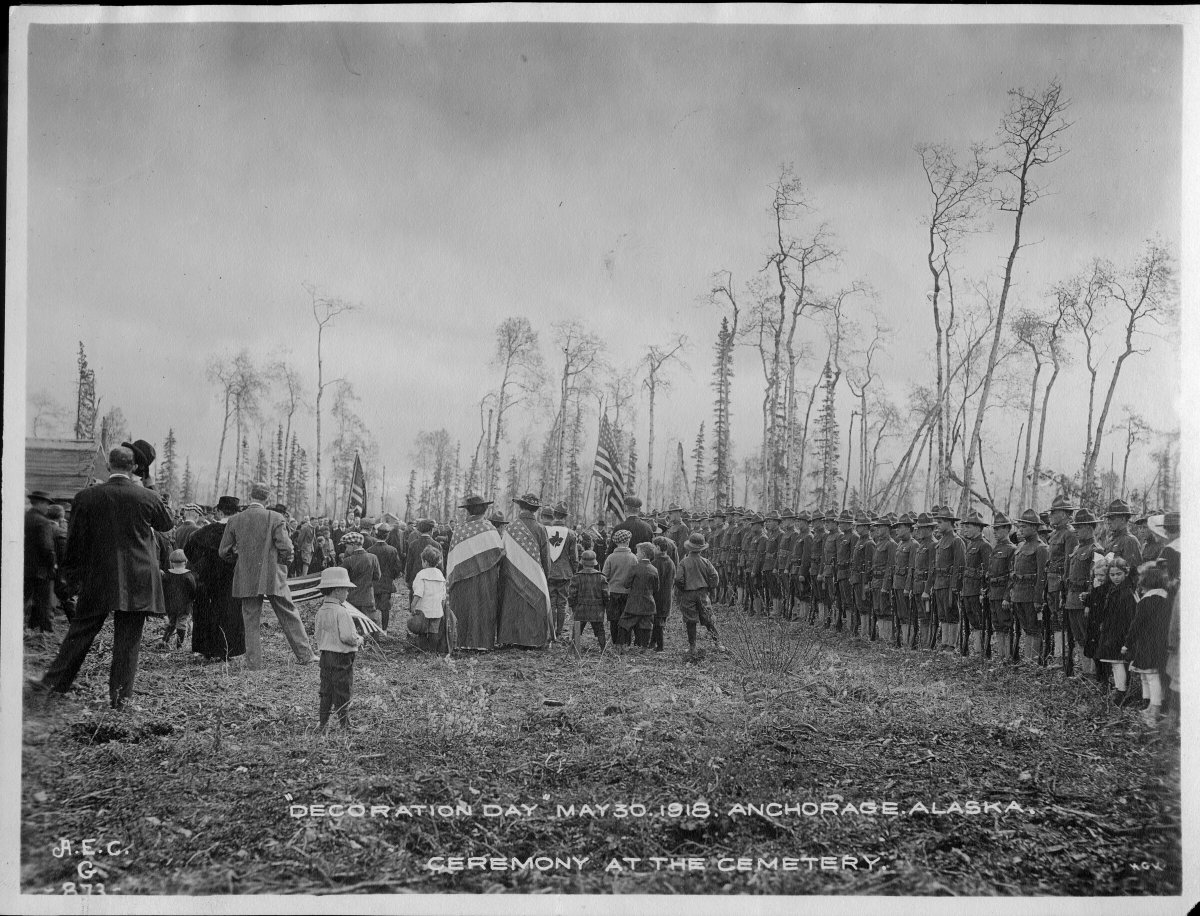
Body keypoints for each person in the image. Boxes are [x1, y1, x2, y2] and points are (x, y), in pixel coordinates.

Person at [29, 446, 174, 709]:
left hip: (97, 576)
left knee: (80, 632)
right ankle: (120, 699)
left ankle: (51, 687)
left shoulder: (86, 497)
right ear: (133, 469)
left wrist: (69, 578)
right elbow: (167, 524)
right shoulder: (147, 497)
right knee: (128, 641)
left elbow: (74, 542)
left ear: (108, 466)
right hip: (138, 579)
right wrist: (149, 481)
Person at [218, 482, 317, 671]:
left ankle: (254, 663)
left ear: (250, 496)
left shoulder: (235, 520)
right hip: (273, 575)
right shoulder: (275, 517)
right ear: (268, 499)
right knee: (288, 612)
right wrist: (282, 562)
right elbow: (287, 547)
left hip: (246, 575)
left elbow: (224, 552)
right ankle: (305, 655)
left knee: (250, 619)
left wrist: (239, 559)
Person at [184, 496, 246, 661]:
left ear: (219, 511)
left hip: (208, 578)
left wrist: (200, 566)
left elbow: (188, 549)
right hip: (232, 578)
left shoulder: (205, 531)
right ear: (236, 512)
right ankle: (227, 650)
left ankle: (206, 650)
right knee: (230, 611)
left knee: (206, 611)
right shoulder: (241, 532)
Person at [447, 495, 504, 651]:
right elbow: (499, 554)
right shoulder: (490, 529)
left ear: (468, 511)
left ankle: (460, 641)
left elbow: (452, 558)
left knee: (463, 606)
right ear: (485, 510)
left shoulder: (459, 530)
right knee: (484, 606)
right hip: (487, 578)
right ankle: (483, 643)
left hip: (461, 578)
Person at [497, 494, 552, 649]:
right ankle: (532, 639)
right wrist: (545, 576)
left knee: (512, 604)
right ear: (535, 510)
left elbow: (503, 551)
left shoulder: (511, 527)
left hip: (511, 573)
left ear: (520, 506)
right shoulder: (540, 529)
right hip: (534, 575)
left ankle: (509, 638)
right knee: (532, 606)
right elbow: (545, 556)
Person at [314, 566, 364, 731]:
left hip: (325, 656)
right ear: (336, 591)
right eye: (345, 589)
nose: (348, 593)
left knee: (326, 689)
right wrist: (359, 640)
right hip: (342, 658)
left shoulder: (321, 611)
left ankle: (323, 724)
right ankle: (345, 724)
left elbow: (317, 634)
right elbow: (348, 636)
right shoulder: (342, 612)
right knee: (343, 690)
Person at [1124, 563, 1172, 726]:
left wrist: (1127, 643)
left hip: (1146, 643)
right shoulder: (1166, 597)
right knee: (1152, 675)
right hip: (1160, 642)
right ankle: (1153, 705)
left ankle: (1154, 708)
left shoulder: (1146, 601)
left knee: (1150, 676)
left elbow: (1136, 624)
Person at [1091, 556, 1137, 705]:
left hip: (1120, 632)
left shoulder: (1127, 592)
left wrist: (1126, 636)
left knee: (1118, 662)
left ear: (1126, 573)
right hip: (1111, 629)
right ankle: (1119, 688)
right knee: (1114, 662)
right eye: (1112, 575)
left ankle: (1121, 691)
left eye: (1119, 574)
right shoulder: (1113, 589)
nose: (1115, 578)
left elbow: (1131, 616)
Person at [1008, 508, 1049, 666]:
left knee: (1034, 628)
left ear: (1035, 527)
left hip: (1031, 594)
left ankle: (1033, 660)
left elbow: (1041, 576)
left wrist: (1038, 599)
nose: (1021, 530)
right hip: (1019, 593)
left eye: (1024, 527)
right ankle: (1027, 659)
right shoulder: (1020, 547)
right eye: (1020, 527)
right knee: (1026, 628)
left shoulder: (1041, 548)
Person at [674, 532, 726, 657]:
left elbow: (678, 580)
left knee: (690, 621)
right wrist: (709, 587)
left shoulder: (684, 562)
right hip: (703, 593)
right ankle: (718, 644)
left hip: (688, 594)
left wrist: (683, 590)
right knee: (708, 619)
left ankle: (692, 647)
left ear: (689, 547)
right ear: (702, 548)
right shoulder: (706, 561)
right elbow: (715, 577)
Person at [1063, 508, 1100, 677]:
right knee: (1079, 638)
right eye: (1075, 526)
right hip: (1072, 599)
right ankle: (1085, 672)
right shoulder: (1077, 549)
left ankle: (1093, 673)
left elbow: (1098, 579)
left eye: (1080, 526)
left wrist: (1090, 601)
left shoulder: (1096, 549)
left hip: (1085, 601)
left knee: (1089, 637)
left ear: (1091, 527)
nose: (1076, 530)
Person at [931, 507, 965, 653]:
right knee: (943, 614)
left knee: (952, 614)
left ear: (950, 522)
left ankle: (952, 645)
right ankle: (944, 643)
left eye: (940, 522)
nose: (937, 525)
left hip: (949, 584)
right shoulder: (941, 540)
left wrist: (954, 586)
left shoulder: (957, 541)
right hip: (939, 583)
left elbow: (959, 565)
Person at [960, 510, 992, 659]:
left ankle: (982, 651)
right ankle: (976, 650)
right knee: (972, 620)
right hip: (967, 589)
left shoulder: (984, 545)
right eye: (965, 526)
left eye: (969, 526)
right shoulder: (970, 544)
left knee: (980, 621)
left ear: (979, 528)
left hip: (977, 590)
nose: (965, 529)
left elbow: (987, 571)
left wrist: (982, 590)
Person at [25, 490, 58, 634]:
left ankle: (31, 627)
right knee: (44, 601)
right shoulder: (43, 522)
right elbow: (47, 547)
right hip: (41, 570)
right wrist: (53, 564)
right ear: (39, 503)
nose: (48, 508)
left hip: (25, 568)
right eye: (46, 504)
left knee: (26, 598)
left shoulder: (24, 517)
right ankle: (45, 631)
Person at [985, 512, 1017, 663]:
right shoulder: (995, 548)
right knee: (997, 624)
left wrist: (1007, 597)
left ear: (1008, 529)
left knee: (1006, 625)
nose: (995, 532)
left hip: (1003, 592)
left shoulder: (1012, 549)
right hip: (993, 592)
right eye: (994, 529)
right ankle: (1001, 655)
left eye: (999, 529)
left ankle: (1008, 655)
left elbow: (1012, 576)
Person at [545, 503, 579, 641]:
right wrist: (574, 571)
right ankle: (559, 631)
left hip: (549, 571)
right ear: (565, 517)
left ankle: (551, 631)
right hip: (565, 573)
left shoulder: (545, 530)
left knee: (552, 602)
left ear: (554, 515)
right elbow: (574, 557)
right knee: (562, 602)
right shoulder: (571, 534)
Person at [409, 544, 451, 654]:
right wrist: (441, 606)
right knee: (434, 630)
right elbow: (443, 594)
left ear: (426, 562)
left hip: (423, 609)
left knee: (422, 630)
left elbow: (418, 593)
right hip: (436, 608)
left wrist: (413, 605)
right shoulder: (440, 575)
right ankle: (433, 651)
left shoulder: (421, 575)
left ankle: (423, 650)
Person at [568, 550, 609, 655]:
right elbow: (606, 595)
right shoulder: (601, 577)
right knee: (600, 630)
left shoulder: (576, 577)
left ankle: (574, 650)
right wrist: (605, 606)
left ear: (582, 562)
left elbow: (572, 595)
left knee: (577, 631)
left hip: (581, 608)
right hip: (597, 609)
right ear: (594, 562)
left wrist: (573, 607)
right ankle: (603, 649)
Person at [619, 543, 659, 650]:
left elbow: (626, 584)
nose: (636, 554)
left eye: (637, 552)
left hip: (634, 603)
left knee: (624, 623)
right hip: (648, 603)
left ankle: (622, 646)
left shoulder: (634, 568)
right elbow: (656, 588)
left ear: (643, 554)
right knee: (646, 626)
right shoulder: (654, 570)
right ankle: (643, 648)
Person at [603, 529, 638, 646]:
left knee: (613, 618)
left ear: (616, 542)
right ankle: (625, 642)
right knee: (626, 618)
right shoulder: (633, 558)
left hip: (613, 592)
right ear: (628, 541)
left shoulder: (610, 558)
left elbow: (604, 576)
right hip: (628, 593)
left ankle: (615, 641)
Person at [340, 531, 382, 626]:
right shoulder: (373, 557)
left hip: (352, 598)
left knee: (352, 626)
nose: (346, 549)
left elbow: (342, 579)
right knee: (372, 625)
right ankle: (373, 641)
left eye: (347, 546)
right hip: (368, 597)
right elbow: (377, 576)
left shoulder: (348, 561)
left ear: (354, 545)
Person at [368, 525, 403, 631]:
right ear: (387, 536)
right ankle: (384, 630)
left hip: (373, 583)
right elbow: (397, 568)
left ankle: (372, 629)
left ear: (377, 535)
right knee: (385, 608)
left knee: (372, 607)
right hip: (386, 583)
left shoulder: (370, 550)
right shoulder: (392, 550)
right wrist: (393, 576)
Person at [161, 548, 197, 649]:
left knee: (172, 622)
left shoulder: (167, 575)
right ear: (186, 562)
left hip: (170, 604)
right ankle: (179, 645)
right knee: (182, 623)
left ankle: (164, 640)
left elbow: (163, 590)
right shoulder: (188, 576)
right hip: (184, 605)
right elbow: (193, 590)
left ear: (171, 562)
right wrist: (192, 599)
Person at [650, 537, 676, 652]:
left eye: (654, 546)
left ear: (658, 548)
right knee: (659, 620)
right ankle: (653, 642)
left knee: (658, 622)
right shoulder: (671, 562)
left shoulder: (655, 563)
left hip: (658, 597)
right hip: (667, 596)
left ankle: (660, 646)